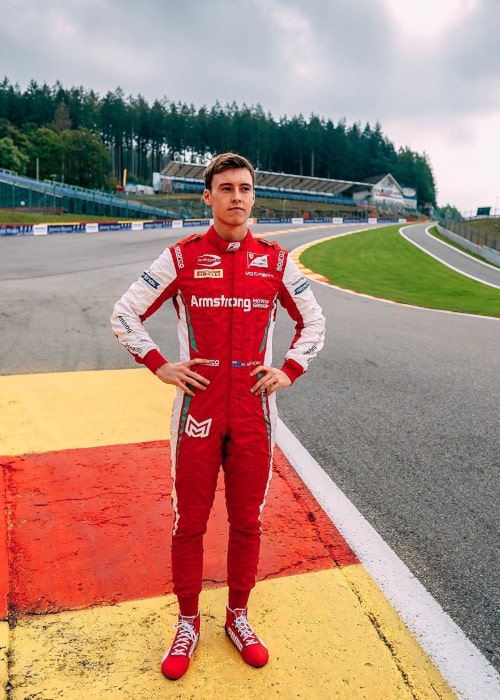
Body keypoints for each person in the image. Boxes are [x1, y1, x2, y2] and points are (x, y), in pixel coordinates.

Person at [110, 153, 326, 680]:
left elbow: (314, 321)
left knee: (247, 521)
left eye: (244, 188)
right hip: (198, 411)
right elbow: (123, 313)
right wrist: (160, 365)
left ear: (255, 197)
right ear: (206, 197)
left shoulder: (276, 261)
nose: (236, 196)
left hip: (254, 410)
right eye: (225, 187)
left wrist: (288, 371)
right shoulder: (180, 258)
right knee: (190, 522)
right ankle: (187, 621)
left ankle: (237, 616)